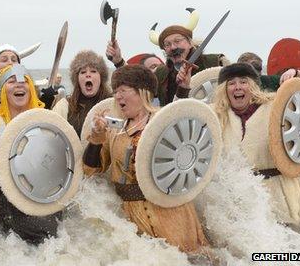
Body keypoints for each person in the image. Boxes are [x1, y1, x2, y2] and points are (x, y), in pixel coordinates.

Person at [83, 65, 210, 255]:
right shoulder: (114, 130)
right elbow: (91, 169)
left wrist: (183, 88)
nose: (118, 96)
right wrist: (96, 136)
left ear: (142, 92)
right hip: (130, 213)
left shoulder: (162, 121)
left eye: (123, 91)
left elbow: (188, 134)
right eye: (116, 91)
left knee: (190, 257)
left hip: (170, 211)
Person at [0, 64, 60, 245]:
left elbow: (59, 164)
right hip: (0, 197)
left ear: (31, 89)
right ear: (2, 91)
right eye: (11, 81)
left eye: (25, 81)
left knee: (51, 241)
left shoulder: (46, 121)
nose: (19, 84)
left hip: (39, 196)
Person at [213, 63, 300, 225]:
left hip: (280, 191)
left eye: (243, 82)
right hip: (239, 194)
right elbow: (183, 115)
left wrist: (296, 72)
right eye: (231, 83)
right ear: (224, 89)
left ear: (253, 85)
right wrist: (183, 88)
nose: (237, 87)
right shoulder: (217, 115)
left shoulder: (276, 106)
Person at [107, 25, 229, 106]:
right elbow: (137, 85)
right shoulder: (161, 74)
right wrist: (118, 61)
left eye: (177, 41)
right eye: (167, 44)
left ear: (190, 43)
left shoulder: (217, 62)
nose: (173, 48)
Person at [52, 50, 111, 135]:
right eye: (83, 72)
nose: (88, 75)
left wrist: (119, 62)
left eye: (93, 71)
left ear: (101, 77)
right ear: (77, 79)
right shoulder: (65, 106)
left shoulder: (112, 103)